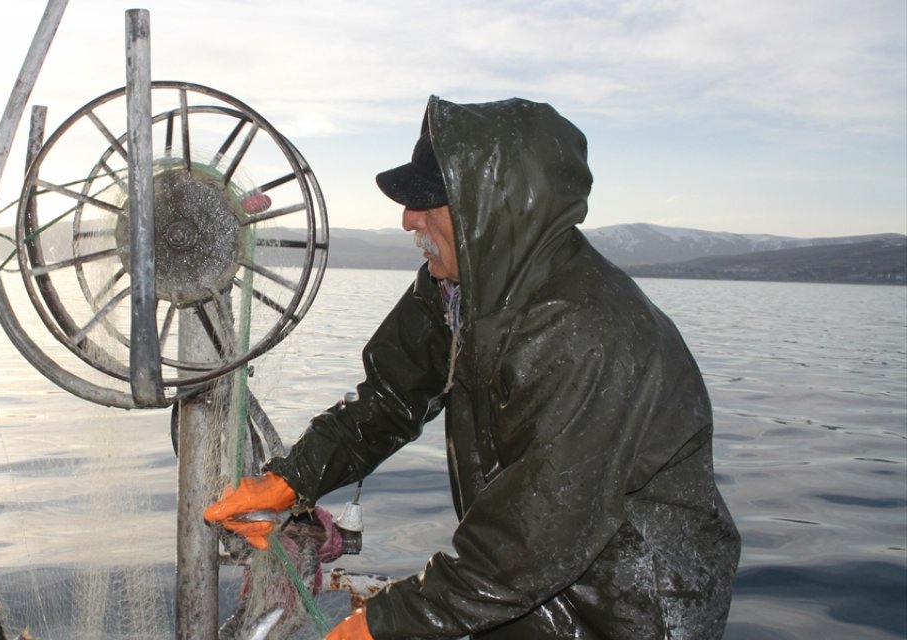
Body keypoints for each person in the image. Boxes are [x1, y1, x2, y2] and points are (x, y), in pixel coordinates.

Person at [205, 96, 741, 639]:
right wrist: (291, 479)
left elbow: (527, 542)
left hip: (632, 611)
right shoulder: (456, 290)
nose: (407, 218)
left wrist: (380, 624)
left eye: (428, 201)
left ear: (493, 211)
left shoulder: (590, 336)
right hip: (528, 587)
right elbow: (390, 399)